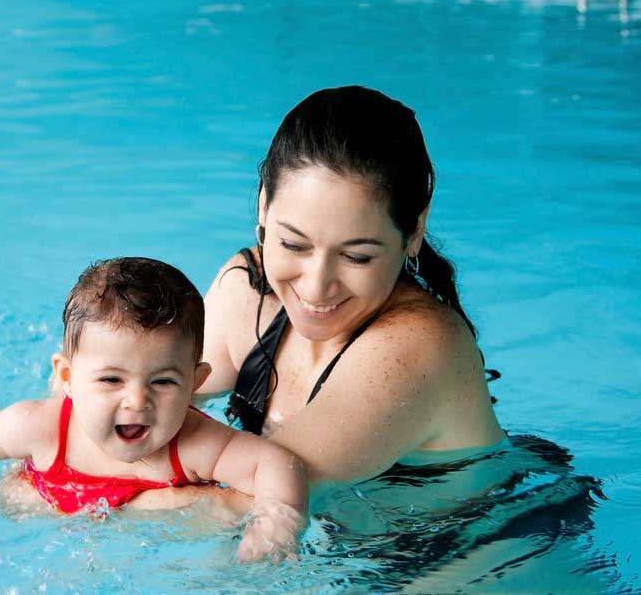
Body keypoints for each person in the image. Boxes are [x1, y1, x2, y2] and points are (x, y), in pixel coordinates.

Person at [0, 257, 306, 561]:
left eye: (163, 382)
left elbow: (276, 463)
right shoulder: (44, 428)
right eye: (112, 380)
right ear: (67, 377)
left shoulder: (194, 444)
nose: (137, 401)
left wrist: (276, 523)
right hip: (51, 491)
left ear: (196, 383)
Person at [198, 85, 505, 482]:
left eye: (356, 257)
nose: (315, 287)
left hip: (499, 522)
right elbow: (136, 408)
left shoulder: (418, 348)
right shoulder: (248, 292)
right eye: (293, 244)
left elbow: (257, 499)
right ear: (263, 206)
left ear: (414, 231)